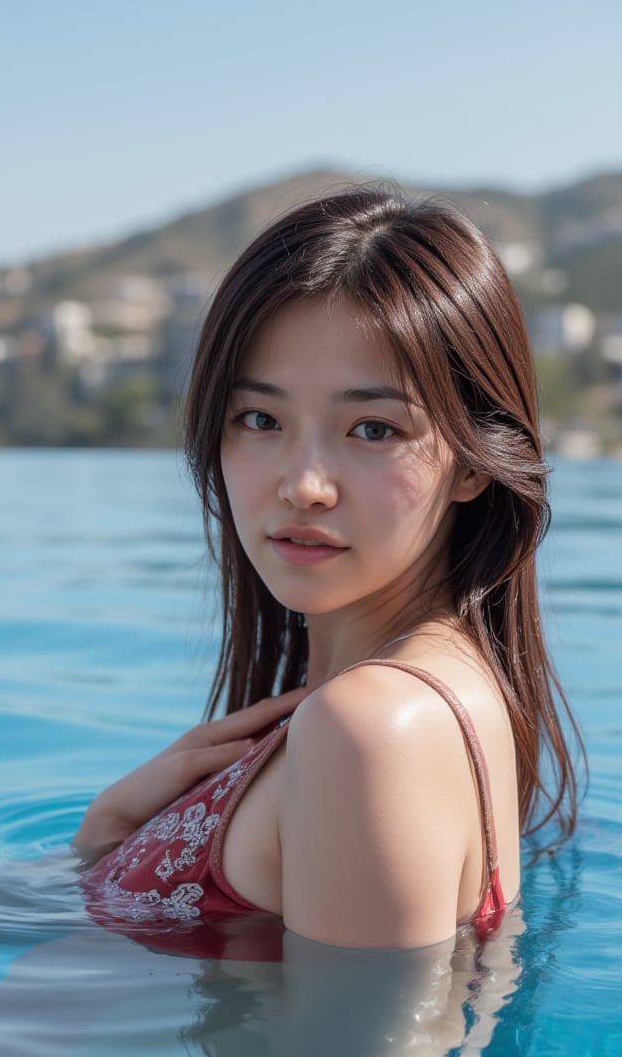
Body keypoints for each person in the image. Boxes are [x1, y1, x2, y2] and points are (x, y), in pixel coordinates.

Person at [74, 185, 582, 954]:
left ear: (475, 464)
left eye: (373, 428)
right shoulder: (387, 706)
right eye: (260, 419)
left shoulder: (373, 728)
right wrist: (104, 844)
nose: (303, 484)